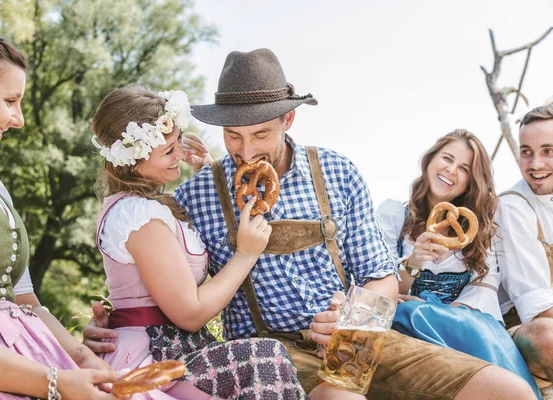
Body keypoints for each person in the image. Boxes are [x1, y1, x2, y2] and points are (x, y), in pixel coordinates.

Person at [84, 48, 535, 399]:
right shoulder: (195, 195)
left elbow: (380, 279)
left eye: (261, 133)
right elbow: (157, 268)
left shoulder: (337, 172)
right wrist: (112, 323)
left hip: (356, 337)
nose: (246, 152)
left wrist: (352, 324)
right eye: (233, 137)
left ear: (289, 118)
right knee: (345, 397)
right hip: (273, 354)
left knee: (509, 392)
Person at [90, 84, 307, 399]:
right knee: (266, 359)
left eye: (178, 139)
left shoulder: (150, 206)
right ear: (132, 161)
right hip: (152, 354)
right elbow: (190, 314)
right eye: (168, 151)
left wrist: (204, 172)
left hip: (173, 346)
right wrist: (246, 254)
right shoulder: (138, 216)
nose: (179, 151)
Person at [0, 27, 119, 399]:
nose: (20, 119)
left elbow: (24, 300)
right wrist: (54, 382)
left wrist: (82, 357)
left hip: (33, 362)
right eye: (10, 100)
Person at [376, 129, 540, 397]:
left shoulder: (483, 226)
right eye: (446, 158)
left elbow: (485, 286)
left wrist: (445, 312)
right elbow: (381, 285)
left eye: (464, 168)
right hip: (407, 319)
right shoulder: (395, 215)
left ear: (471, 181)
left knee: (474, 328)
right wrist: (415, 260)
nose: (451, 170)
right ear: (429, 161)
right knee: (411, 313)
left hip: (464, 320)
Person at [496, 104, 553, 393]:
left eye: (548, 151)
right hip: (524, 329)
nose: (535, 164)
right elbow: (538, 308)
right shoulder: (513, 206)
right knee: (548, 335)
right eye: (526, 152)